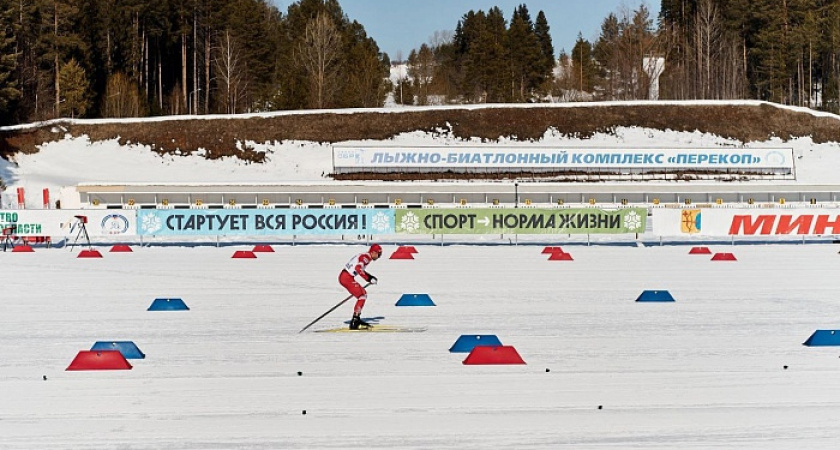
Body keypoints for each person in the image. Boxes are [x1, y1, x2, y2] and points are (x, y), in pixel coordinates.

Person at [339, 243, 382, 329]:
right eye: (378, 254)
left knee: (363, 294)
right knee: (362, 295)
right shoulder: (366, 258)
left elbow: (359, 268)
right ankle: (355, 320)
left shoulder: (365, 256)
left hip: (346, 276)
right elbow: (358, 268)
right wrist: (368, 279)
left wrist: (370, 277)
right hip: (346, 277)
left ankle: (356, 318)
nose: (379, 257)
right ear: (373, 252)